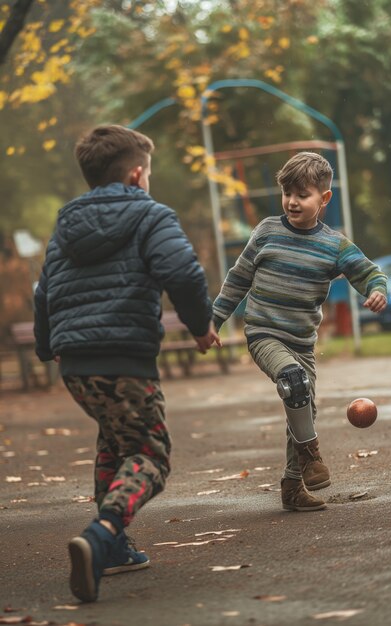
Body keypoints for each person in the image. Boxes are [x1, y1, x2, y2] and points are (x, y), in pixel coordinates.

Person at [34, 124, 221, 603]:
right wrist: (201, 326)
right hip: (124, 359)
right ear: (138, 175)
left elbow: (44, 291)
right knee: (150, 456)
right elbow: (181, 270)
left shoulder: (65, 226)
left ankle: (113, 549)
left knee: (114, 441)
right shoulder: (149, 215)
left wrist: (46, 346)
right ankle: (102, 535)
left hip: (75, 364)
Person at [212, 151, 387, 513]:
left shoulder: (333, 245)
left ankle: (293, 486)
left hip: (302, 343)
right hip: (264, 334)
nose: (292, 201)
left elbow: (368, 272)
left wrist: (376, 289)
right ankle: (313, 456)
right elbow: (238, 279)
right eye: (287, 193)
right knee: (293, 381)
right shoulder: (266, 232)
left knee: (302, 405)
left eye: (302, 195)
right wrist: (214, 319)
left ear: (324, 199)